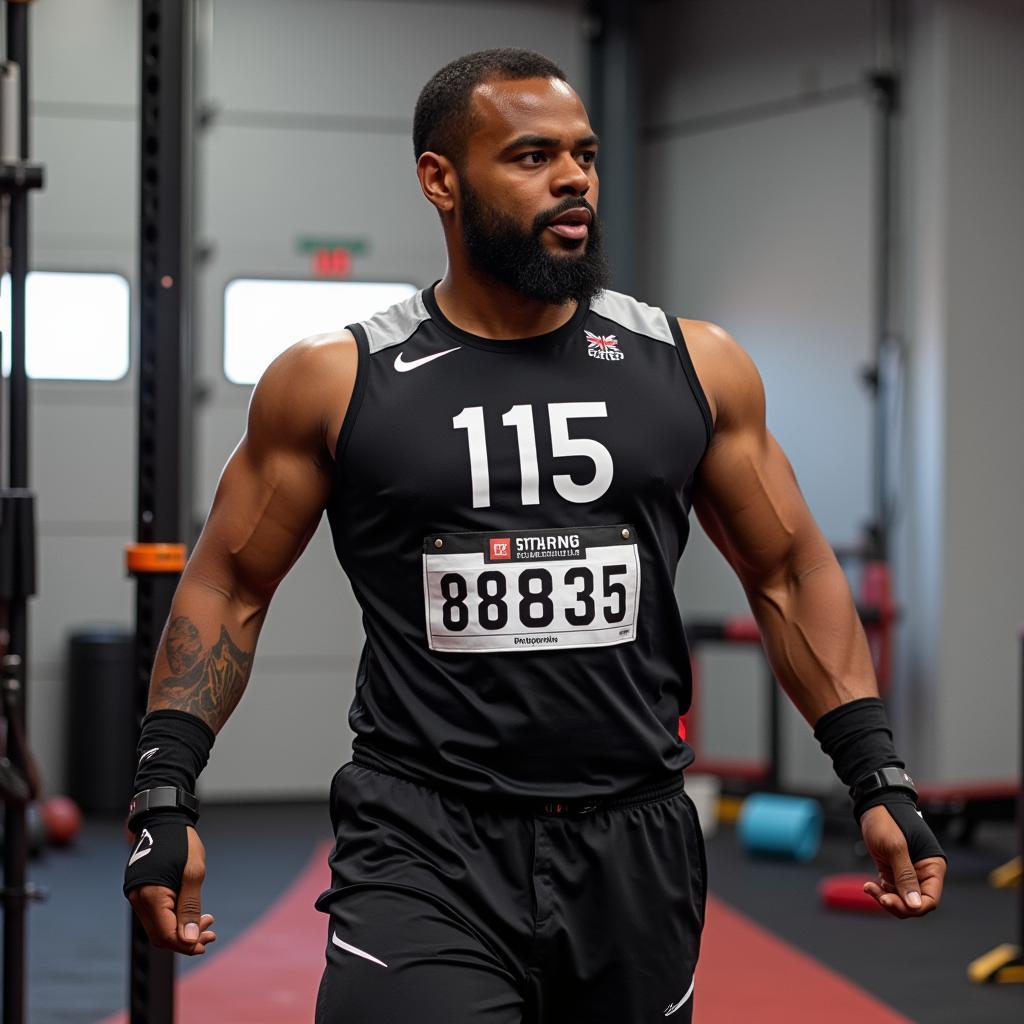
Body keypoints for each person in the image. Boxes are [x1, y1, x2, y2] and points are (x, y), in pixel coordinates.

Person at [123, 49, 946, 1023]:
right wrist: (164, 790)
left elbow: (787, 567)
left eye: (585, 155)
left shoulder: (692, 365)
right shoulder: (336, 380)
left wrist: (875, 773)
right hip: (423, 836)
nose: (573, 179)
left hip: (634, 839)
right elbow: (228, 583)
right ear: (440, 179)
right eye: (530, 156)